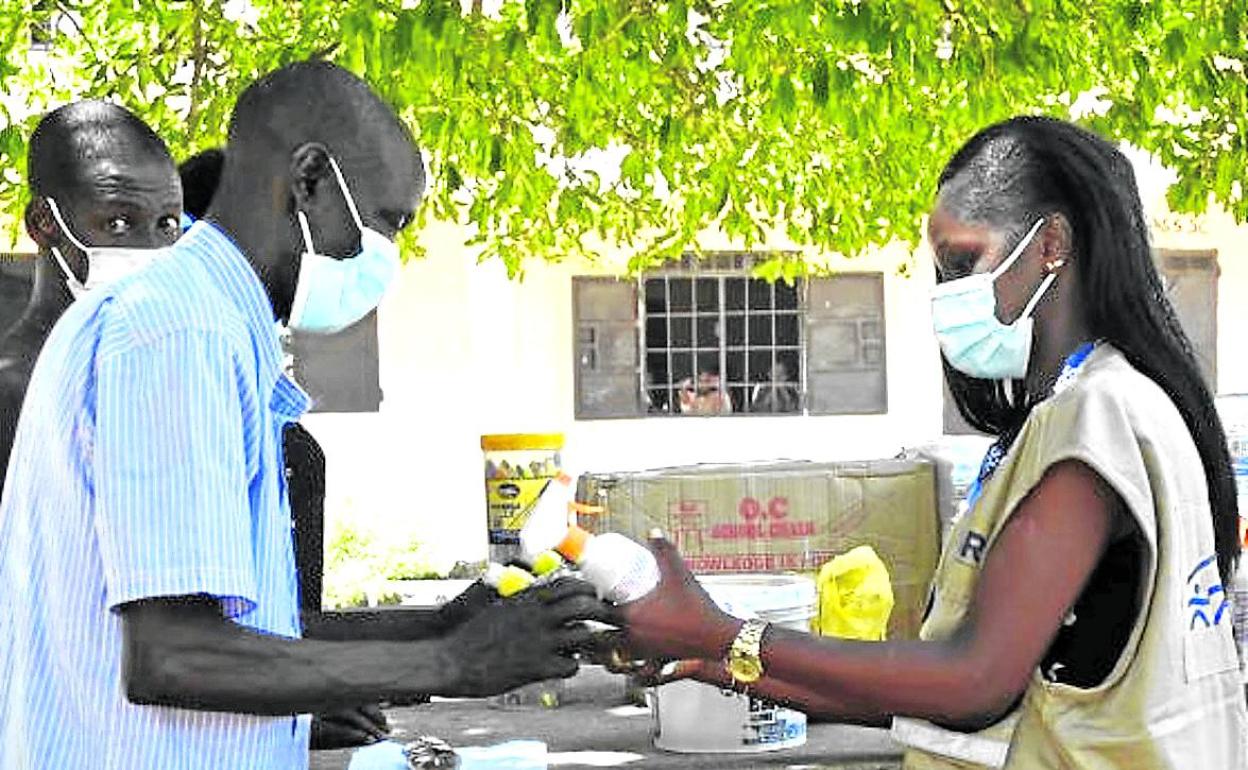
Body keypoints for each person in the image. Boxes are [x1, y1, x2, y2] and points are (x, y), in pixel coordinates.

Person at [0, 61, 607, 770]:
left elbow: (231, 624)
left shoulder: (182, 319)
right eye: (387, 222)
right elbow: (173, 653)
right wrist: (451, 661)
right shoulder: (178, 332)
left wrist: (441, 623)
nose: (386, 255)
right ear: (311, 181)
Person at [619, 116, 1247, 769]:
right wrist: (716, 658)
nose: (949, 294)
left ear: (1052, 243)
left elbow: (973, 682)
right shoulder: (1104, 407)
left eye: (962, 261)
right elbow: (939, 696)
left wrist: (722, 631)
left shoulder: (1099, 417)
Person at [177, 146, 391, 751]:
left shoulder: (288, 442)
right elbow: (166, 648)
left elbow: (275, 628)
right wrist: (291, 703)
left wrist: (307, 687)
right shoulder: (162, 391)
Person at [0, 100, 183, 495]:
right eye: (118, 223)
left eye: (167, 224)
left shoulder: (164, 375)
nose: (151, 248)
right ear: (43, 224)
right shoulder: (13, 392)